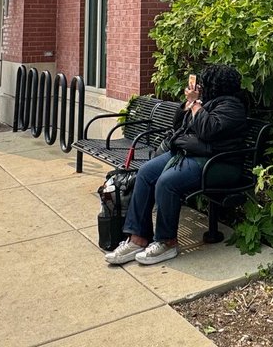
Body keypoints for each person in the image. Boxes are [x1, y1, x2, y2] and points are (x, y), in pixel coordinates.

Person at [104, 63, 248, 266]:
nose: (201, 87)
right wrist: (187, 105)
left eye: (205, 84)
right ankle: (138, 238)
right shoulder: (209, 102)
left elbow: (208, 130)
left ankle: (167, 241)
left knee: (167, 182)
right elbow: (179, 125)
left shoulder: (232, 106)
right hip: (190, 155)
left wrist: (196, 106)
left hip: (219, 164)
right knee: (145, 172)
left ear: (217, 85)